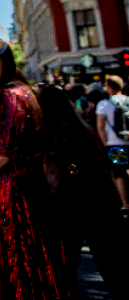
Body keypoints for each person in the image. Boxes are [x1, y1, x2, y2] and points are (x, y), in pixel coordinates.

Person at [0, 38, 65, 300]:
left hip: (12, 200)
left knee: (16, 271)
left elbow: (1, 152)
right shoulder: (11, 92)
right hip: (12, 196)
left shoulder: (10, 95)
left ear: (4, 61)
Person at [39, 85, 128, 299]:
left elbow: (52, 178)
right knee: (116, 270)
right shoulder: (83, 130)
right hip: (102, 203)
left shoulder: (45, 136)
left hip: (68, 208)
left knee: (61, 272)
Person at [95, 76, 129, 210]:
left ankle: (126, 205)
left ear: (108, 87)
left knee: (120, 174)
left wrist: (105, 144)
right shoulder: (128, 100)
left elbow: (100, 127)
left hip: (115, 144)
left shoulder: (103, 104)